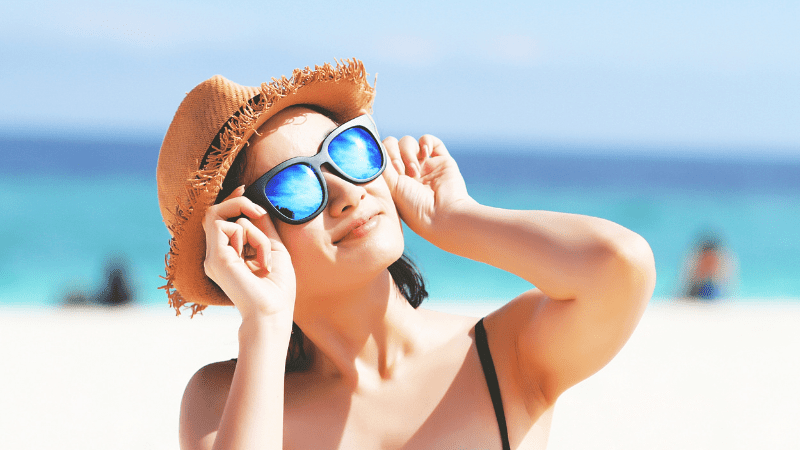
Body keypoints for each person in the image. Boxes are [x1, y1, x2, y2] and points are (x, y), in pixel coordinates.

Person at [156, 59, 656, 450]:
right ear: (247, 239)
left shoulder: (501, 355)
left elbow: (621, 265)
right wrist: (262, 320)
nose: (347, 193)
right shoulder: (223, 402)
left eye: (348, 151)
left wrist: (455, 218)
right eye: (294, 185)